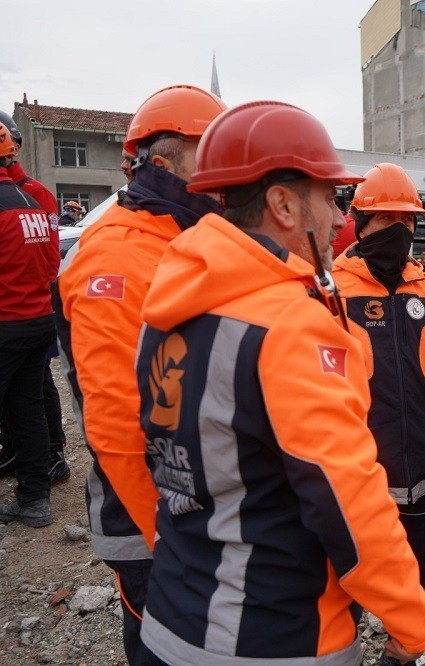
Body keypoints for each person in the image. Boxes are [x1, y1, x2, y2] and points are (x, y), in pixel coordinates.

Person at [134, 100, 425, 664]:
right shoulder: (290, 323)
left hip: (173, 615)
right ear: (282, 204)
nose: (340, 220)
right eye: (329, 199)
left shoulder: (170, 304)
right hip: (275, 634)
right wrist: (412, 622)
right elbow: (348, 500)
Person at [56, 84, 227, 665]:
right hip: (151, 517)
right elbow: (115, 420)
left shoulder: (185, 237)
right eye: (211, 156)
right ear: (165, 161)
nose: (224, 175)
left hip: (198, 505)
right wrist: (170, 539)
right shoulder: (118, 255)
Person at [332, 162, 425, 606]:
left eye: (407, 219)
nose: (399, 229)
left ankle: (406, 635)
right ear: (361, 223)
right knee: (352, 564)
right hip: (359, 457)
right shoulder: (332, 290)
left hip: (420, 451)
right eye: (386, 218)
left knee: (414, 559)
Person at [0, 110, 66, 486]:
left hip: (27, 308)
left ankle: (54, 452)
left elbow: (49, 254)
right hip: (28, 310)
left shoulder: (34, 193)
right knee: (26, 396)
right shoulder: (19, 194)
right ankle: (21, 457)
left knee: (39, 386)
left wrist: (34, 291)